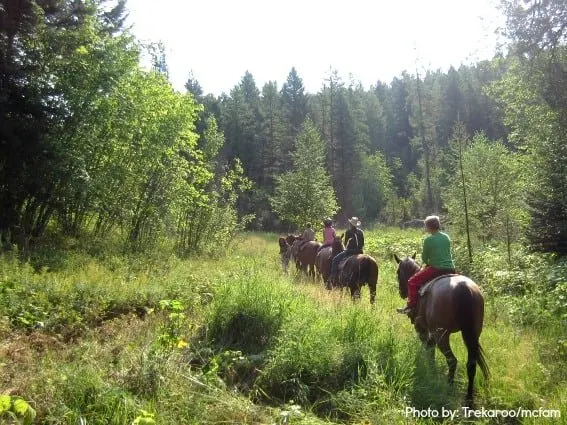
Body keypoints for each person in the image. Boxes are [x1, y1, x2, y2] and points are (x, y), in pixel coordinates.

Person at [397, 215, 455, 315]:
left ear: (428, 227)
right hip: (450, 268)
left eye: (426, 226)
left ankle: (411, 307)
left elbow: (424, 258)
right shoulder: (446, 237)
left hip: (436, 268)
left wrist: (428, 264)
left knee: (412, 282)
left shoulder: (428, 240)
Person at [328, 217, 364, 285]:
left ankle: (333, 277)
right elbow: (362, 244)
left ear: (350, 224)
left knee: (335, 260)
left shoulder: (348, 232)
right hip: (360, 251)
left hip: (350, 252)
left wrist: (346, 249)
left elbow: (345, 244)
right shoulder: (361, 232)